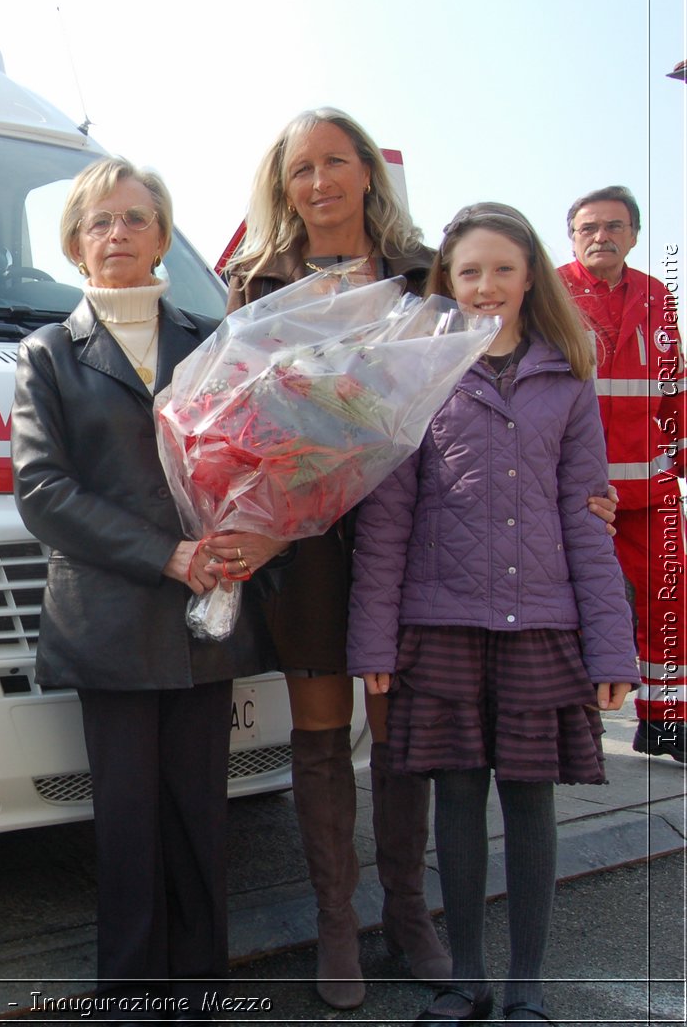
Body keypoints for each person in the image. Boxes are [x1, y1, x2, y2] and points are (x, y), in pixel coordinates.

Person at [349, 202, 637, 1024]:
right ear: (446, 282)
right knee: (459, 802)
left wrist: (611, 649)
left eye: (503, 269)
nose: (486, 286)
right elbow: (388, 523)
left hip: (542, 628)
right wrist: (373, 640)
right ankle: (466, 979)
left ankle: (526, 988)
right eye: (469, 271)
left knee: (532, 803)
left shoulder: (566, 379)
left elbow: (589, 519)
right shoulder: (419, 378)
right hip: (440, 625)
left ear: (530, 277)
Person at [12, 156, 275, 1017]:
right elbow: (43, 493)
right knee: (127, 832)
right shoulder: (47, 355)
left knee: (202, 823)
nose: (116, 235)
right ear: (74, 245)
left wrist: (249, 530)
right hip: (112, 626)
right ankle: (130, 999)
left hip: (206, 622)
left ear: (164, 235)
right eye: (97, 222)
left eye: (133, 218)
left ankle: (204, 991)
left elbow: (253, 462)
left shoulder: (213, 341)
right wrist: (168, 557)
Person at [224, 108, 449, 1008]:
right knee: (320, 738)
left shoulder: (423, 274)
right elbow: (236, 412)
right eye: (300, 169)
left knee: (397, 737)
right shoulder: (254, 283)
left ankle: (408, 915)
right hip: (305, 538)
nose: (318, 183)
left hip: (409, 533)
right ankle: (335, 927)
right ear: (283, 186)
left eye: (334, 163)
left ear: (367, 173)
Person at [557, 186, 683, 764]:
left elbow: (673, 391)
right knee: (573, 609)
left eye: (614, 226)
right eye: (588, 228)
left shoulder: (659, 297)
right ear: (572, 237)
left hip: (650, 491)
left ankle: (667, 722)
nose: (600, 236)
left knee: (669, 604)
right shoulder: (548, 292)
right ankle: (575, 724)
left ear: (634, 235)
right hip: (578, 493)